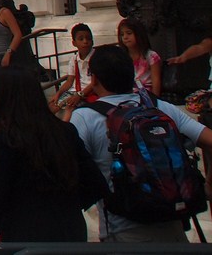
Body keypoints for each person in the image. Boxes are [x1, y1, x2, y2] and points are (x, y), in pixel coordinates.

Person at [71, 44, 212, 243]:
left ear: (94, 79)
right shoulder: (158, 106)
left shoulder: (84, 117)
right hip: (173, 226)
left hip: (122, 234)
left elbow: (69, 170)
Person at [0, 67, 108, 245]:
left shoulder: (6, 141)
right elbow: (95, 183)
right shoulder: (65, 131)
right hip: (69, 231)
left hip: (25, 235)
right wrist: (67, 206)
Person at [51, 23, 96, 117]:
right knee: (51, 107)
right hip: (75, 91)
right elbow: (69, 82)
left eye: (88, 38)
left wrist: (79, 95)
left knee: (69, 109)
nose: (85, 41)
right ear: (74, 43)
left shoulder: (96, 58)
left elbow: (94, 83)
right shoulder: (74, 59)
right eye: (81, 39)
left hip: (90, 92)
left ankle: (66, 129)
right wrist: (58, 93)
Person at [116, 17, 162, 94]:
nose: (125, 37)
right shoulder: (121, 56)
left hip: (146, 96)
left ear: (138, 34)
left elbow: (156, 83)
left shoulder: (151, 56)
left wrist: (154, 102)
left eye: (129, 33)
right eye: (122, 34)